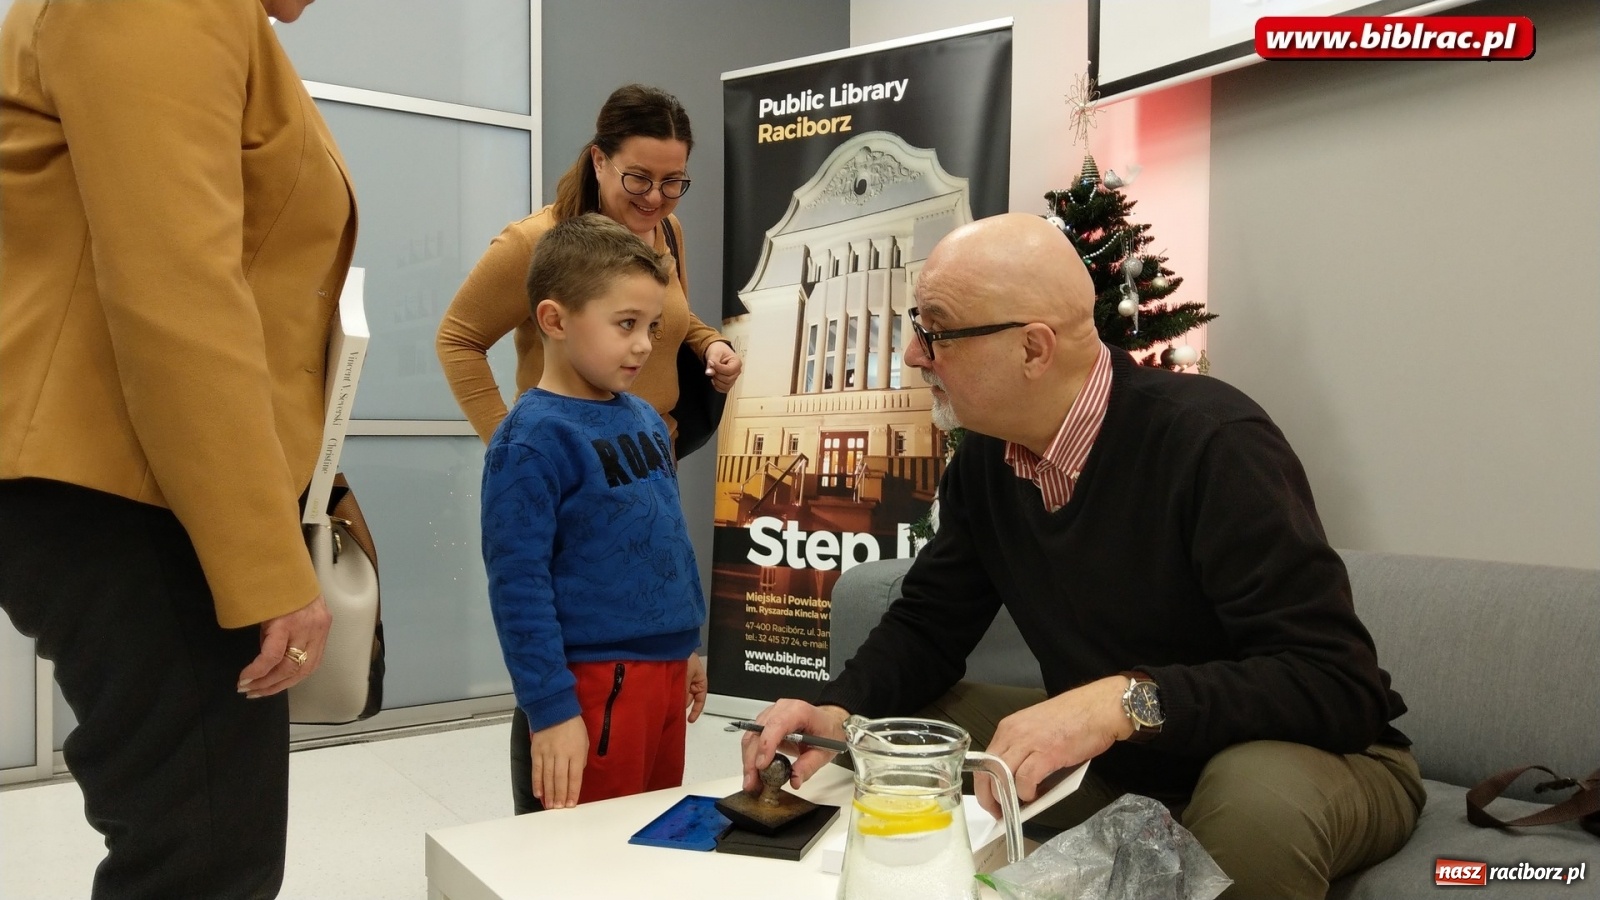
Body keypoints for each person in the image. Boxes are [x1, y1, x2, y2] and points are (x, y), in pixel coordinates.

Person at [740, 213, 1426, 900]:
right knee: (907, 734)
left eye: (935, 332)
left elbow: (1335, 683)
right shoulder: (987, 460)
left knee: (1255, 802)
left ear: (1033, 349)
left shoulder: (1212, 444)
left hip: (1312, 757)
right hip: (1134, 757)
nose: (915, 355)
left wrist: (1124, 702)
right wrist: (835, 710)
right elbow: (929, 625)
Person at [0, 0, 352, 896]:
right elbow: (176, 289)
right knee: (200, 864)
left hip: (151, 484)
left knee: (200, 848)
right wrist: (268, 565)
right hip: (131, 491)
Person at [439, 84, 733, 813]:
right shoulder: (534, 249)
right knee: (574, 849)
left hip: (641, 456)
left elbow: (674, 323)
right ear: (600, 160)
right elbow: (521, 587)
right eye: (640, 179)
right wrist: (513, 443)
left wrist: (711, 342)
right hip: (593, 653)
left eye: (674, 182)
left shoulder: (665, 236)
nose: (658, 197)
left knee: (644, 831)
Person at [480, 213, 708, 813]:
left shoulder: (642, 418)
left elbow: (666, 542)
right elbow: (517, 586)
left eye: (653, 326)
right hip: (592, 685)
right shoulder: (530, 440)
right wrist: (551, 709)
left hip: (662, 678)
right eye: (626, 324)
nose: (643, 344)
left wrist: (685, 645)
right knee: (586, 858)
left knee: (651, 835)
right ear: (555, 320)